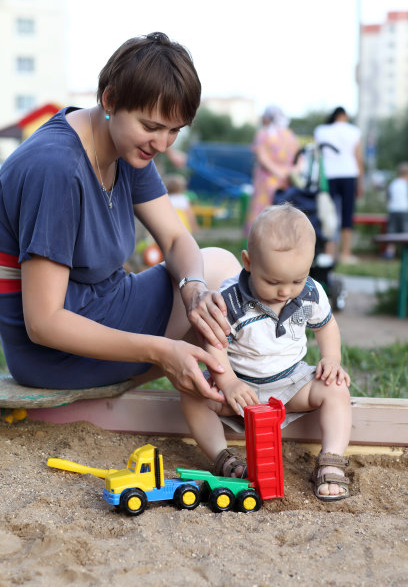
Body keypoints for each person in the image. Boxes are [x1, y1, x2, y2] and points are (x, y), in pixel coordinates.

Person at [0, 32, 242, 401]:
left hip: (105, 304)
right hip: (54, 351)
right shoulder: (56, 168)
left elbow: (176, 239)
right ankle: (234, 399)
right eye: (151, 127)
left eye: (174, 130)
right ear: (110, 99)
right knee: (223, 271)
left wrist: (192, 288)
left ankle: (229, 400)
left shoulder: (127, 146)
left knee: (212, 281)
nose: (161, 144)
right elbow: (43, 322)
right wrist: (159, 350)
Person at [181, 203, 352, 501]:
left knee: (336, 388)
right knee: (193, 394)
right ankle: (223, 458)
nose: (285, 291)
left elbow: (326, 326)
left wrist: (331, 358)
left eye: (297, 280)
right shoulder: (230, 299)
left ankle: (331, 460)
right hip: (239, 389)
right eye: (273, 281)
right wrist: (229, 382)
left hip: (290, 385)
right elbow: (214, 342)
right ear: (248, 262)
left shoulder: (310, 292)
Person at [314, 107, 364, 264]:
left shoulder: (321, 130)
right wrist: (361, 181)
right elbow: (358, 157)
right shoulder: (354, 131)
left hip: (328, 176)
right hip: (349, 175)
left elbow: (318, 155)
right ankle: (345, 252)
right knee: (347, 214)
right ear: (344, 116)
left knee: (329, 213)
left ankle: (329, 252)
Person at [245, 105, 299, 235]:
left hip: (266, 180)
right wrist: (288, 172)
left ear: (267, 118)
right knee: (284, 213)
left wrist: (278, 172)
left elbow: (263, 158)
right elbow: (299, 159)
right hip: (287, 181)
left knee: (263, 213)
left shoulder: (263, 134)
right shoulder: (290, 135)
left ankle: (259, 245)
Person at [384, 162, 408, 258]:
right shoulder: (405, 184)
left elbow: (388, 197)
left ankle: (390, 252)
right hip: (405, 210)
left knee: (392, 232)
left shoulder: (393, 184)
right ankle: (405, 254)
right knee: (405, 232)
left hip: (393, 210)